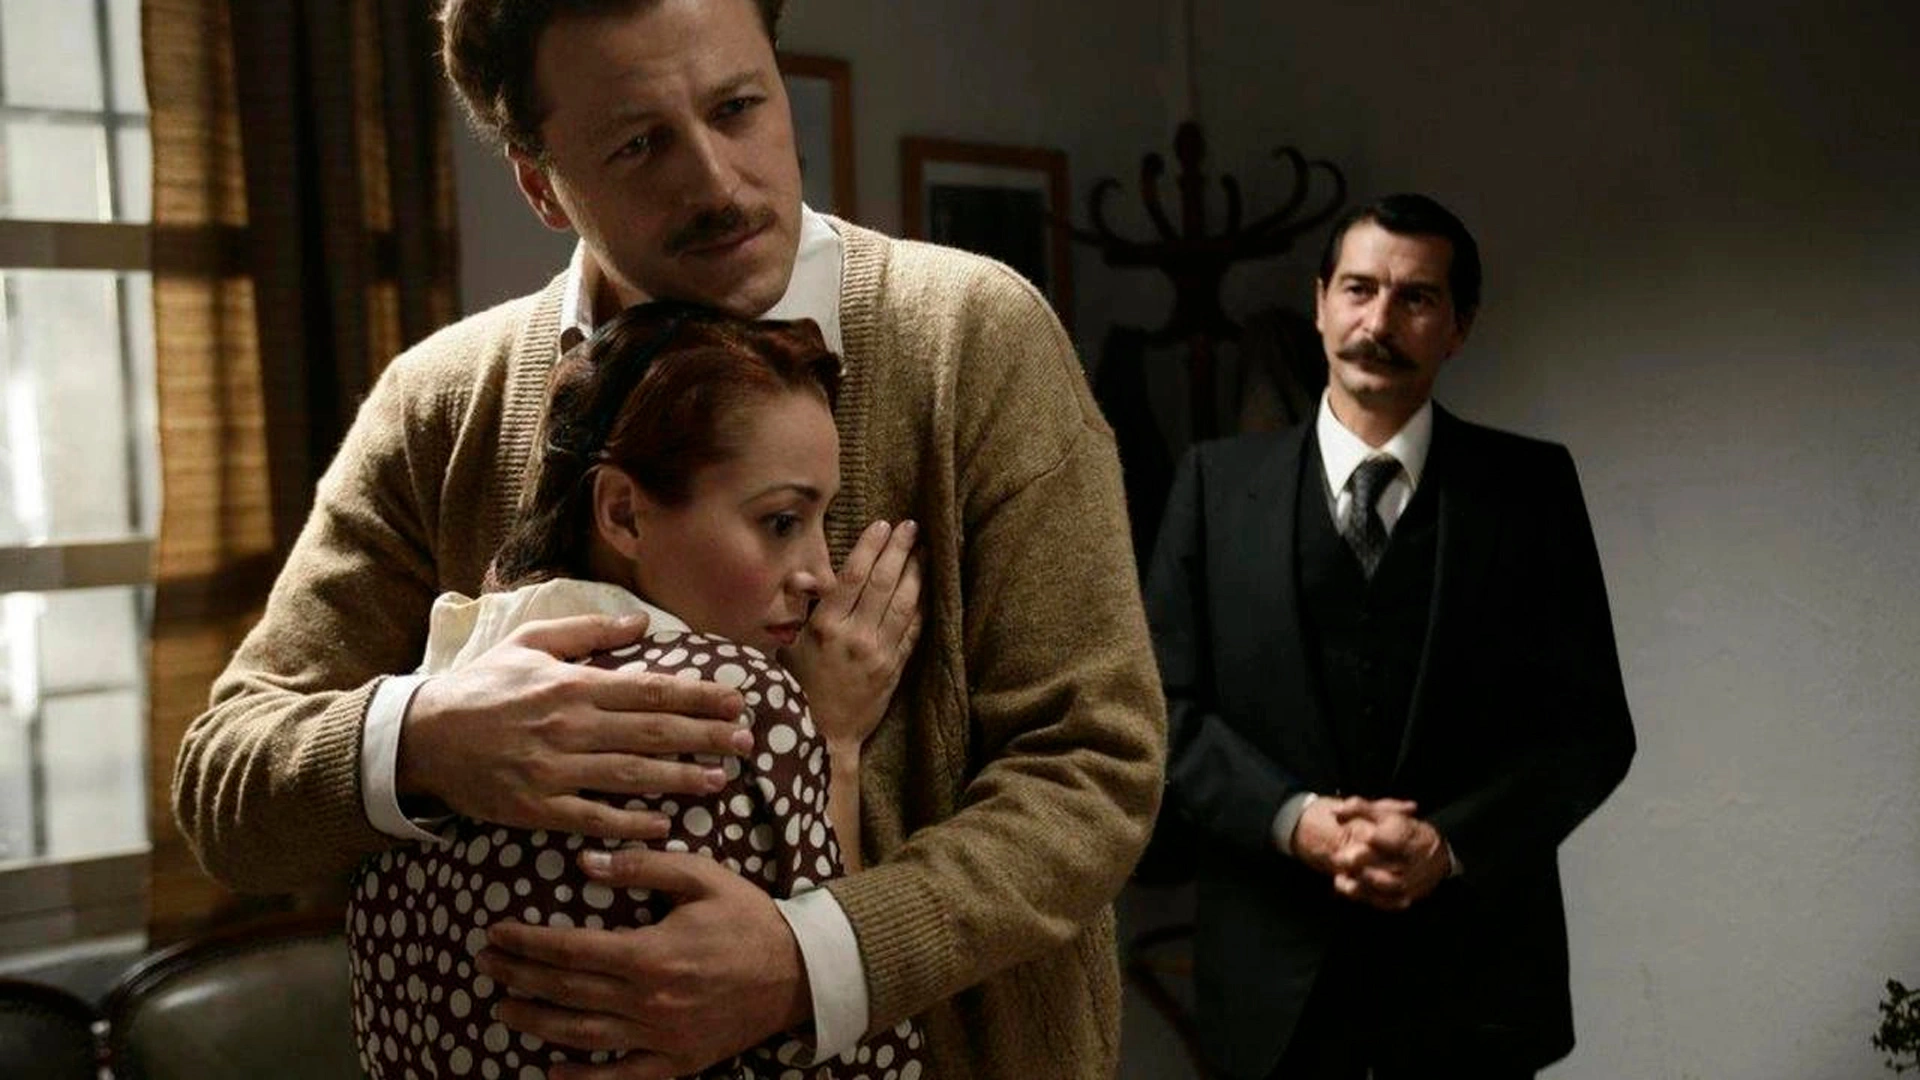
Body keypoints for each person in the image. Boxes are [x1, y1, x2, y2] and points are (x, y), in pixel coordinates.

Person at [170, 1, 1165, 1077]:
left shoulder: (977, 338)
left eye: (738, 108)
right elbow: (228, 788)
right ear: (540, 184)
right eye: (640, 143)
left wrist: (808, 961)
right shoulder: (439, 405)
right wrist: (430, 737)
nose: (718, 183)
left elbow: (1093, 768)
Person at [347, 304, 924, 1080]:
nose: (821, 573)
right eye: (782, 521)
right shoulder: (736, 704)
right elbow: (863, 1064)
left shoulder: (427, 704)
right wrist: (835, 745)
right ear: (623, 513)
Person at [1144, 192, 1635, 1080]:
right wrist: (1293, 821)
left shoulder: (1532, 490)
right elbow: (1158, 714)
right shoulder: (1213, 486)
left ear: (1459, 327)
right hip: (1272, 990)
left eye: (1415, 298)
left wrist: (1448, 846)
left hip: (1476, 985)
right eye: (1360, 289)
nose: (1379, 323)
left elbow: (1591, 732)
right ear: (1320, 301)